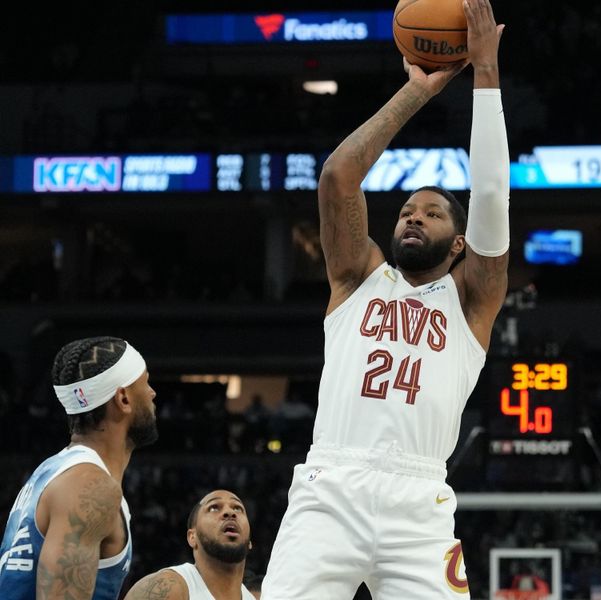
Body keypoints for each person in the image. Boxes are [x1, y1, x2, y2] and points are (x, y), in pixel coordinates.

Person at [262, 0, 508, 597]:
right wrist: (416, 92)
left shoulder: (471, 302)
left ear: (459, 245)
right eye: (405, 211)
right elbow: (339, 177)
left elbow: (494, 196)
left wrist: (485, 74)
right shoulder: (356, 278)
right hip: (331, 487)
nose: (412, 218)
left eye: (431, 212)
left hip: (418, 505)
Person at [0, 337, 158, 600]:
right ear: (123, 399)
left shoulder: (53, 471)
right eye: (146, 383)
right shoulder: (88, 486)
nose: (153, 393)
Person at [123, 490, 256, 600]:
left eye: (238, 508)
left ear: (249, 541)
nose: (230, 513)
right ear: (192, 537)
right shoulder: (168, 588)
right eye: (214, 507)